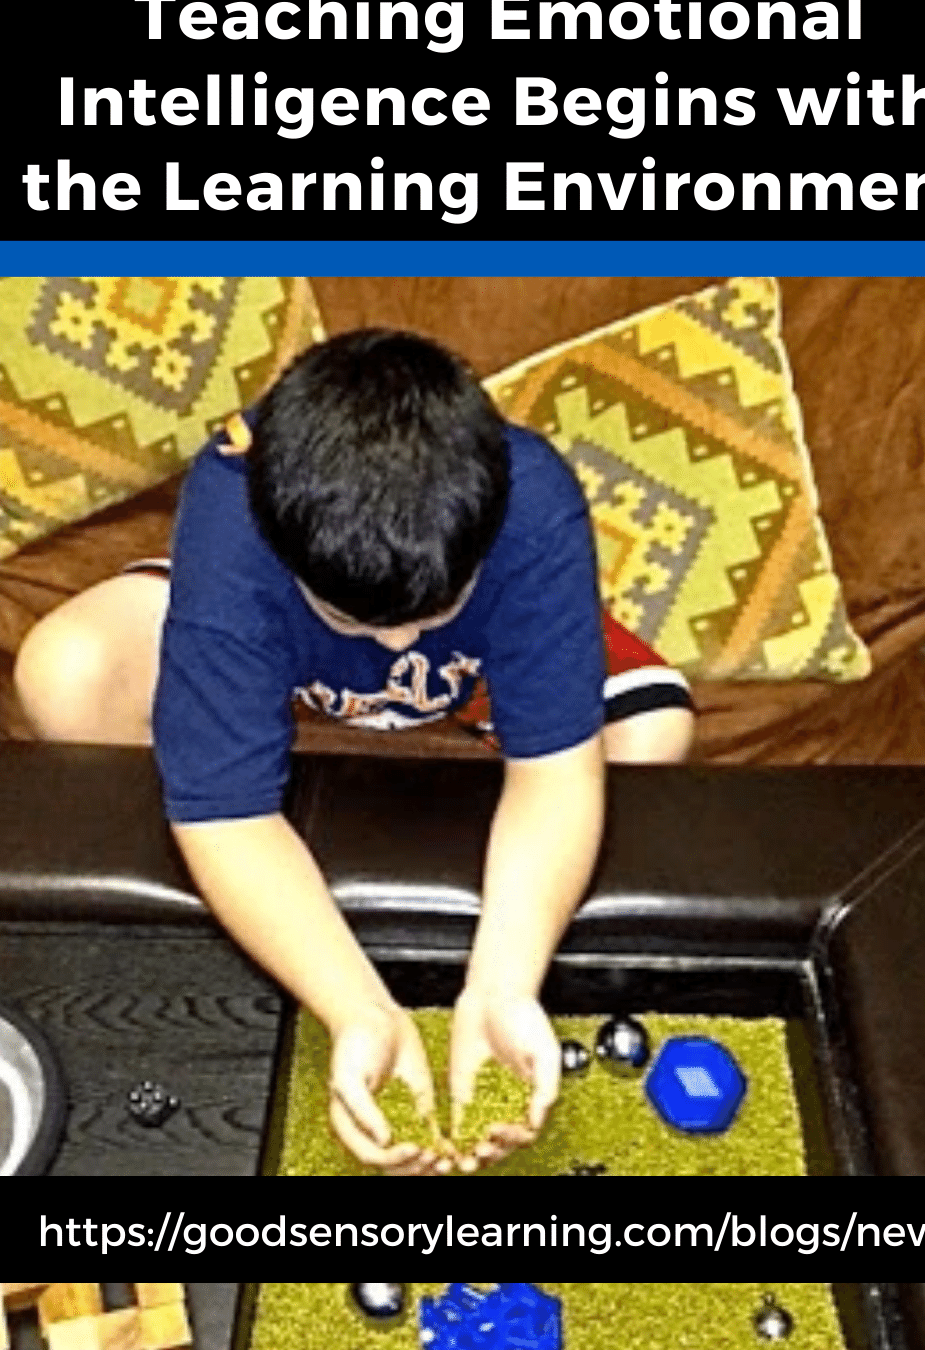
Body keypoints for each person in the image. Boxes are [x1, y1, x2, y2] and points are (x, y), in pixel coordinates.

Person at [14, 329, 693, 1174]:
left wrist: (503, 983)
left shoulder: (533, 497)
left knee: (656, 730)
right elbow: (226, 816)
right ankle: (252, 696)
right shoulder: (231, 505)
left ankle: (368, 650)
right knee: (63, 673)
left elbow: (556, 777)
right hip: (280, 641)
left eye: (427, 611)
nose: (402, 640)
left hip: (479, 665)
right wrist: (359, 1010)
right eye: (369, 622)